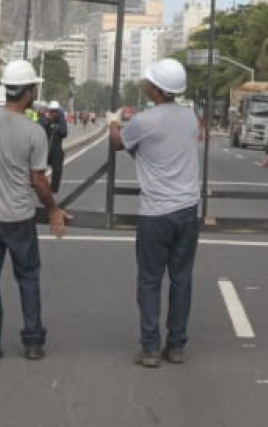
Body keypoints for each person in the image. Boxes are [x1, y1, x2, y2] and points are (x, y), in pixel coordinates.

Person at [0, 59, 69, 363]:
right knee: (27, 278)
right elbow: (39, 179)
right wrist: (52, 208)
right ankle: (32, 342)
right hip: (18, 216)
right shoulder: (34, 132)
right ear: (28, 92)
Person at [110, 57, 201, 368]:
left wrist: (113, 121)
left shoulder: (143, 122)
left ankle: (150, 348)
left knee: (150, 280)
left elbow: (119, 143)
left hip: (156, 213)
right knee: (182, 279)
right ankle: (175, 346)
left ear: (157, 89)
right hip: (187, 210)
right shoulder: (191, 118)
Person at [40, 99, 69, 192]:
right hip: (44, 148)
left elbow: (64, 132)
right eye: (52, 111)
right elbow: (39, 127)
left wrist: (57, 127)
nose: (54, 113)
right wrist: (48, 123)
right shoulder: (44, 116)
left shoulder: (61, 117)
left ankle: (54, 189)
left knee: (57, 169)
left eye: (55, 111)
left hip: (56, 148)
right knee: (39, 168)